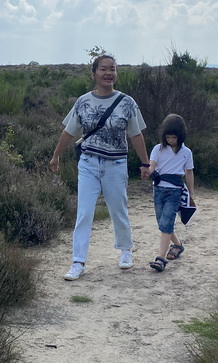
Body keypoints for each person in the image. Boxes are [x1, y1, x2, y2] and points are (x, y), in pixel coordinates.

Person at [49, 55, 150, 281]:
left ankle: (125, 250)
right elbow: (69, 131)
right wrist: (56, 155)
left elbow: (135, 135)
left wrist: (145, 163)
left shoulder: (127, 103)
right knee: (84, 212)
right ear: (94, 73)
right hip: (88, 164)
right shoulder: (83, 101)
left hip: (116, 164)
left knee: (118, 208)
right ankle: (78, 262)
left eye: (112, 69)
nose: (108, 73)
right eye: (103, 69)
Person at [140, 113, 196, 272]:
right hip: (158, 190)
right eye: (168, 137)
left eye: (174, 137)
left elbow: (189, 173)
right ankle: (177, 245)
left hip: (175, 192)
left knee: (166, 223)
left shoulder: (186, 152)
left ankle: (160, 259)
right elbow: (152, 166)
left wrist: (191, 194)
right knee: (162, 222)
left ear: (181, 136)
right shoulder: (158, 149)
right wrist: (147, 171)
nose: (171, 140)